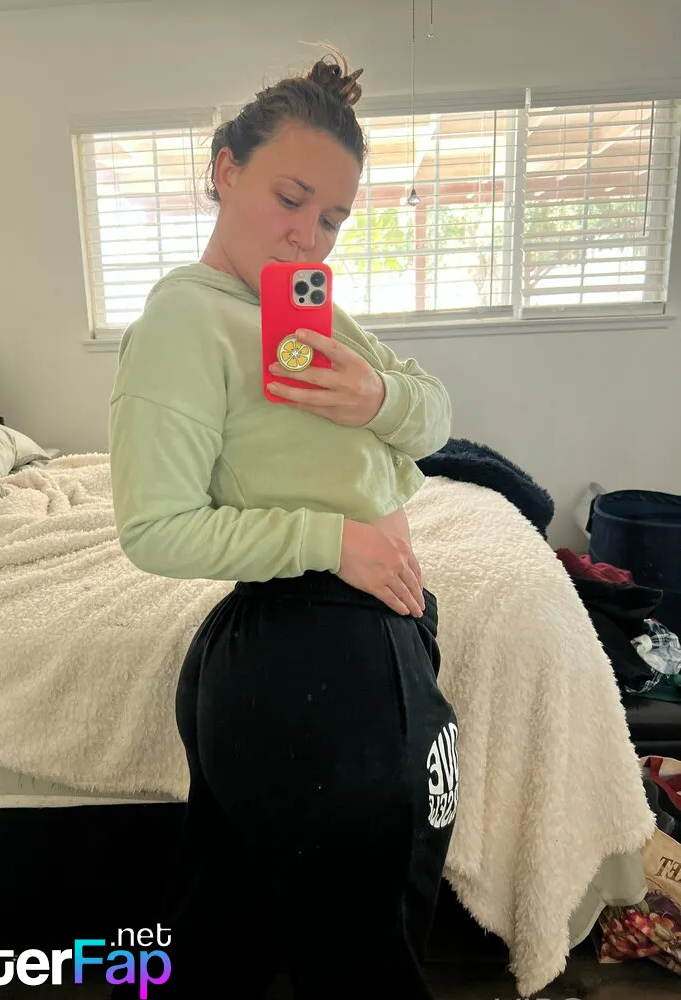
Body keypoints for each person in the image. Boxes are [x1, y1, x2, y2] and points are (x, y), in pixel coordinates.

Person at [108, 49, 458, 1000]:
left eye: (333, 217)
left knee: (224, 941)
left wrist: (376, 396)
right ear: (227, 169)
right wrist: (334, 541)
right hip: (312, 653)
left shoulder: (304, 310)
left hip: (335, 652)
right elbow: (155, 529)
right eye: (290, 199)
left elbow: (436, 415)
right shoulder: (186, 320)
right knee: (367, 954)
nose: (310, 236)